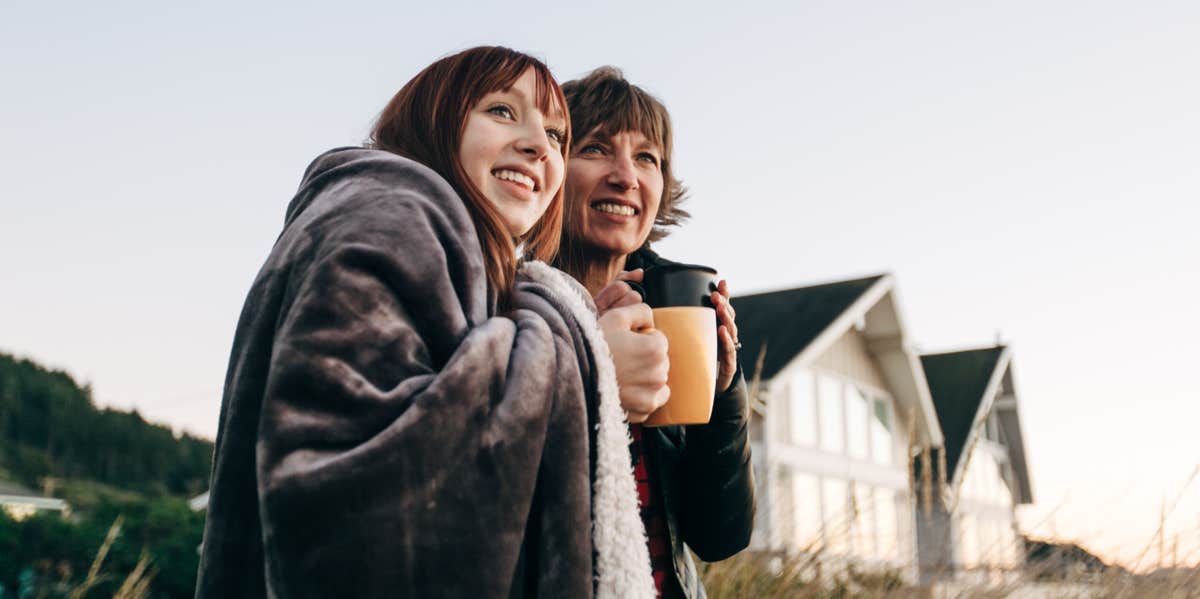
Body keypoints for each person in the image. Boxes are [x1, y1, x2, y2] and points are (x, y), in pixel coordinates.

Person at [196, 48, 664, 599]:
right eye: (502, 111)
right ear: (435, 117)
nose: (539, 146)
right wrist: (590, 364)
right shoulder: (386, 216)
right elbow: (351, 503)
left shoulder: (428, 236)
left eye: (557, 135)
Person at [556, 67, 756, 599]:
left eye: (648, 158)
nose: (627, 175)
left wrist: (723, 394)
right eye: (597, 148)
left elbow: (719, 537)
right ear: (548, 163)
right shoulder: (503, 305)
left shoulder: (675, 308)